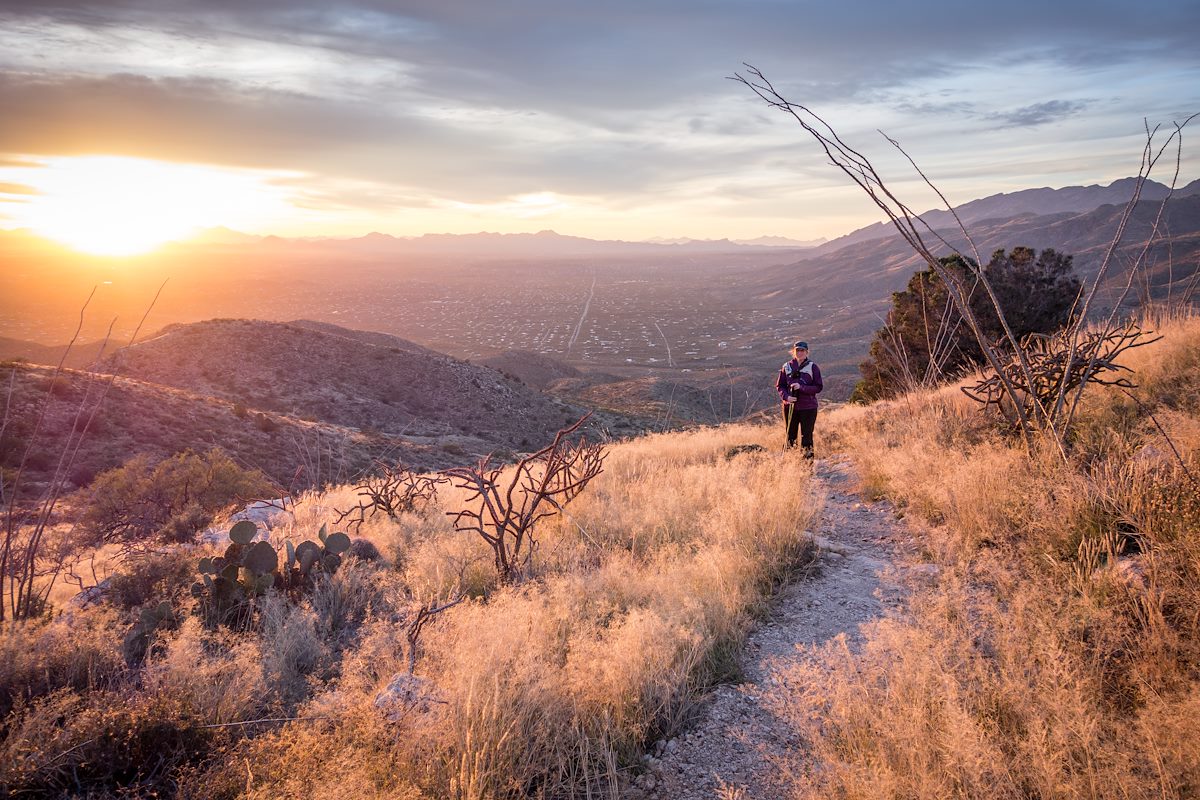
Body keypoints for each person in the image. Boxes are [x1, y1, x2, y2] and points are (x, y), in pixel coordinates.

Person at [776, 340, 822, 457]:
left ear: (807, 352)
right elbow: (780, 385)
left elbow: (818, 387)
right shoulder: (786, 367)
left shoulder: (813, 367)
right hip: (790, 406)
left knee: (806, 436)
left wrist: (801, 387)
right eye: (798, 350)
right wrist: (786, 397)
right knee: (790, 435)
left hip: (808, 407)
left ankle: (807, 466)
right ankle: (790, 463)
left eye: (802, 350)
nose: (800, 352)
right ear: (793, 351)